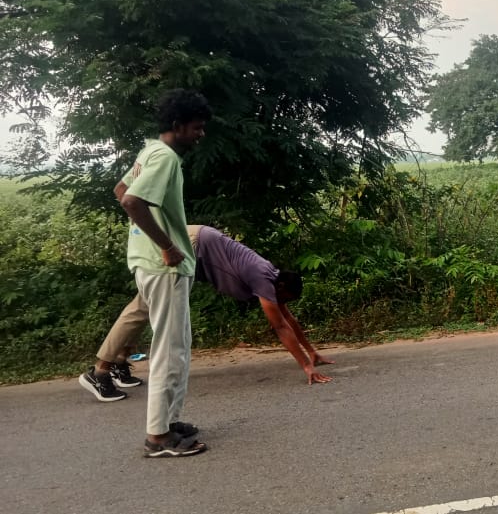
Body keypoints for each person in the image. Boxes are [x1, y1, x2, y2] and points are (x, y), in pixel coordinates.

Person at [79, 225, 333, 403]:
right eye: (284, 299)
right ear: (281, 288)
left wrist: (311, 351)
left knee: (143, 307)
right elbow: (280, 327)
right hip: (188, 245)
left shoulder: (271, 277)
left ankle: (119, 362)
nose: (281, 303)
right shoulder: (264, 280)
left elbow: (288, 319)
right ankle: (100, 371)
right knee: (143, 307)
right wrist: (306, 367)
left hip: (193, 242)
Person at [101, 89, 209, 457]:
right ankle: (158, 437)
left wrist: (147, 238)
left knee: (177, 346)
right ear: (178, 126)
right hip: (163, 267)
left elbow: (121, 189)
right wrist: (164, 244)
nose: (201, 134)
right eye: (197, 127)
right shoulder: (165, 157)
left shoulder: (150, 151)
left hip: (147, 263)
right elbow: (131, 201)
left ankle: (168, 421)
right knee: (169, 350)